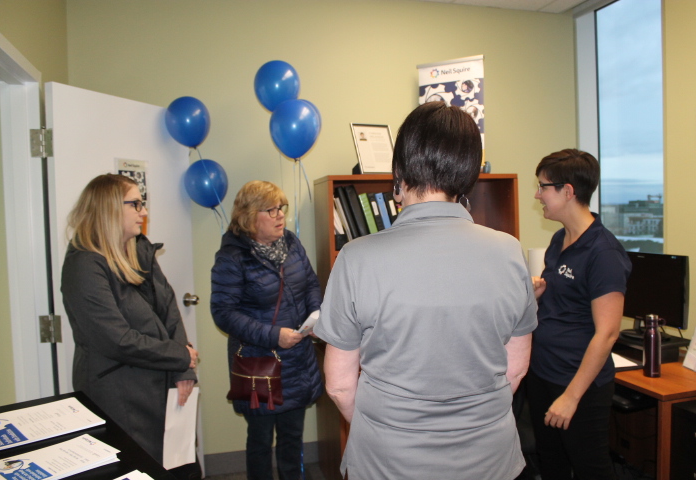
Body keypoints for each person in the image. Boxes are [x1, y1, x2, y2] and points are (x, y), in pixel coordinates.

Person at [314, 101, 537, 480]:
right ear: (468, 175)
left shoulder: (356, 258)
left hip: (389, 463)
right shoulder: (510, 252)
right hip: (489, 461)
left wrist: (379, 429)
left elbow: (338, 386)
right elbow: (514, 371)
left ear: (398, 174)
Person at [61, 174, 198, 464]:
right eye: (135, 204)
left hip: (161, 381)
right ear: (108, 208)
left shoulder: (139, 250)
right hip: (120, 396)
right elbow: (116, 340)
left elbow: (169, 311)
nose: (144, 212)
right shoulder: (83, 264)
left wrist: (182, 370)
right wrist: (180, 357)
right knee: (137, 467)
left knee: (174, 465)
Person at [528, 149, 631, 480]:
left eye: (543, 187)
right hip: (543, 374)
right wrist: (539, 294)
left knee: (591, 469)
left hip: (577, 383)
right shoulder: (560, 239)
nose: (537, 194)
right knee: (551, 462)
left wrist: (571, 398)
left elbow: (608, 333)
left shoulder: (604, 252)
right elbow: (564, 304)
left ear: (568, 191)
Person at [210, 181, 323, 480]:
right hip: (259, 364)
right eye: (270, 210)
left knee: (291, 439)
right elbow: (223, 313)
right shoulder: (232, 258)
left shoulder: (291, 243)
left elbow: (310, 283)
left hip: (297, 360)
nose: (279, 215)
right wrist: (275, 336)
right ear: (249, 216)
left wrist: (315, 315)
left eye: (281, 208)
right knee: (260, 442)